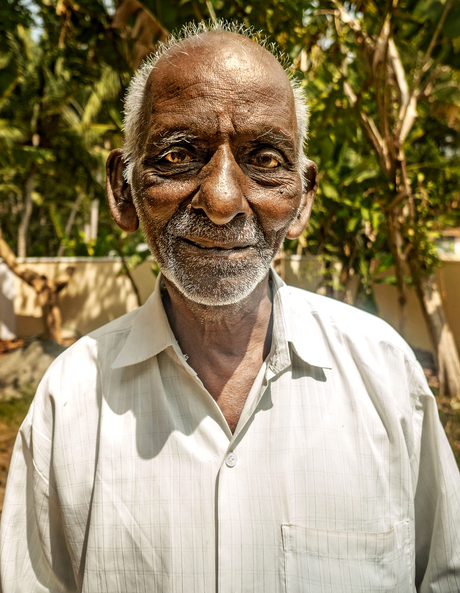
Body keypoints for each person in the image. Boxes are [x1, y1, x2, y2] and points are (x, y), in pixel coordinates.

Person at [1, 20, 460, 593]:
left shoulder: (385, 374)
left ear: (303, 197)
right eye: (178, 154)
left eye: (264, 156)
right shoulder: (68, 402)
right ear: (122, 189)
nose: (220, 200)